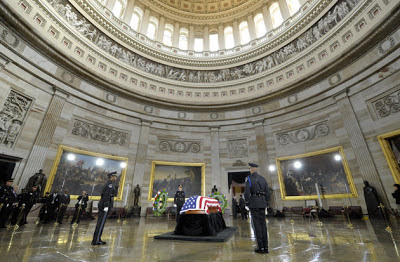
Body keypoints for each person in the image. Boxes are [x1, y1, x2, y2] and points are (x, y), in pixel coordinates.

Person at [244, 163, 270, 254]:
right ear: (256, 169)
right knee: (263, 225)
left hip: (254, 203)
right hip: (262, 203)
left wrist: (247, 202)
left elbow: (247, 192)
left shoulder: (249, 178)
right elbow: (267, 191)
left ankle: (261, 247)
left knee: (257, 225)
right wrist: (266, 202)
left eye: (250, 168)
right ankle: (266, 247)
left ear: (251, 169)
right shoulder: (263, 179)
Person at [92, 171, 117, 245]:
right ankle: (96, 240)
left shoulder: (109, 184)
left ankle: (97, 238)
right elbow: (106, 196)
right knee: (101, 223)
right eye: (114, 176)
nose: (115, 178)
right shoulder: (110, 185)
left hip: (104, 205)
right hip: (105, 206)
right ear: (111, 177)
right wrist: (106, 206)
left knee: (101, 223)